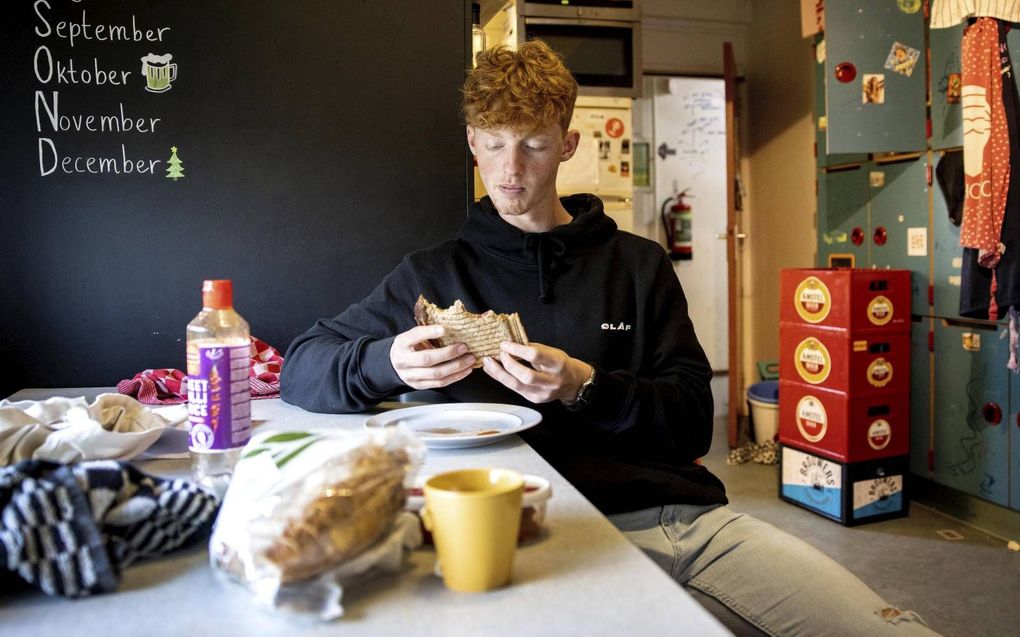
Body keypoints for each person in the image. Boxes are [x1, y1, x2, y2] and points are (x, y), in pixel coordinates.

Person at [280, 41, 938, 636]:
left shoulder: (639, 265)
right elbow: (301, 368)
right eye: (495, 143)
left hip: (684, 522)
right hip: (538, 537)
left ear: (566, 145)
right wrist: (383, 361)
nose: (511, 169)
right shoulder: (431, 275)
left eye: (534, 144)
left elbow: (688, 423)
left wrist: (584, 384)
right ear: (473, 143)